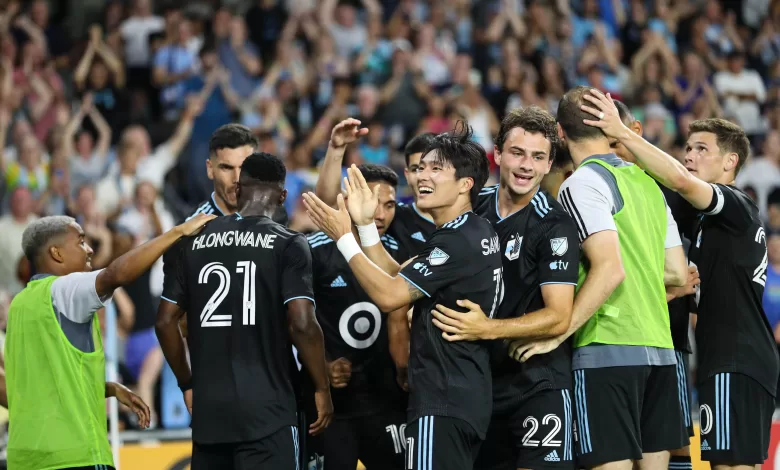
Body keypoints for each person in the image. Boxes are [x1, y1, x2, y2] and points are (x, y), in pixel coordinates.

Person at [580, 89, 780, 470]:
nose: (689, 155)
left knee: (729, 465)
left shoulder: (733, 204)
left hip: (733, 358)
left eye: (702, 149)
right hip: (740, 357)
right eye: (688, 147)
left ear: (730, 161)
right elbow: (654, 194)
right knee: (741, 463)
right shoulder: (707, 221)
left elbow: (678, 181)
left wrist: (622, 133)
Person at [303, 123, 502, 470]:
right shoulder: (472, 230)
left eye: (436, 169)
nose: (422, 176)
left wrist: (343, 237)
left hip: (442, 400)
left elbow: (390, 296)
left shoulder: (456, 241)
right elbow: (400, 274)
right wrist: (364, 228)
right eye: (421, 167)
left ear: (465, 184)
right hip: (465, 397)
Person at [513, 86, 690, 469]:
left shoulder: (580, 184)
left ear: (560, 133)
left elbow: (610, 269)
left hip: (607, 348)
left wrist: (559, 330)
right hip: (660, 351)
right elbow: (677, 272)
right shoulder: (648, 183)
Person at [156, 152, 333, 470]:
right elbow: (303, 324)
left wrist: (187, 384)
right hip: (269, 413)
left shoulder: (191, 241)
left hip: (210, 414)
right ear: (282, 196)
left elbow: (165, 321)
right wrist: (321, 387)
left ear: (238, 190)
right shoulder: (289, 243)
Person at [428, 107, 580, 470]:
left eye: (538, 157)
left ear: (548, 165)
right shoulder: (471, 209)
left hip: (538, 384)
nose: (527, 165)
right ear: (497, 154)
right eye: (518, 153)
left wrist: (486, 329)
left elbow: (559, 316)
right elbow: (424, 269)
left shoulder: (555, 225)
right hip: (479, 388)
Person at [5, 212, 215, 470]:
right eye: (81, 241)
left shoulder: (18, 306)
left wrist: (108, 388)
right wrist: (178, 232)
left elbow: (31, 388)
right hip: (75, 457)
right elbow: (115, 275)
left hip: (24, 459)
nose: (90, 249)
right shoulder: (64, 289)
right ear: (56, 254)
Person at [612, 100, 700, 470]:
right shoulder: (585, 186)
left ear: (634, 132)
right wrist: (670, 287)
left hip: (667, 340)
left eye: (613, 136)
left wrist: (681, 292)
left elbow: (693, 277)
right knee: (619, 446)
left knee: (670, 441)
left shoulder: (676, 194)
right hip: (610, 341)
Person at [305, 164, 408, 470]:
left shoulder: (401, 252)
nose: (381, 215)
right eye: (373, 203)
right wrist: (321, 365)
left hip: (388, 402)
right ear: (349, 200)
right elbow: (289, 320)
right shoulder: (313, 253)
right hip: (332, 408)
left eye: (390, 205)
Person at [315, 118, 436, 254]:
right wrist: (336, 150)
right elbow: (330, 199)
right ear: (407, 175)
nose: (424, 176)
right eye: (416, 169)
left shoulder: (462, 226)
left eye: (435, 168)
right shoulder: (395, 215)